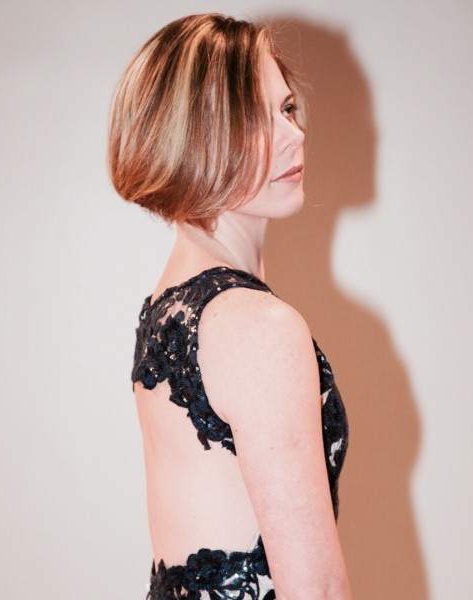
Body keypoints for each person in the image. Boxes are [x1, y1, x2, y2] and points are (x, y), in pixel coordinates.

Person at [108, 13, 351, 599]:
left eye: (287, 108)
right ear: (196, 138)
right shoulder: (256, 326)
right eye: (256, 120)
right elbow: (314, 589)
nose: (294, 134)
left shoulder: (169, 307)